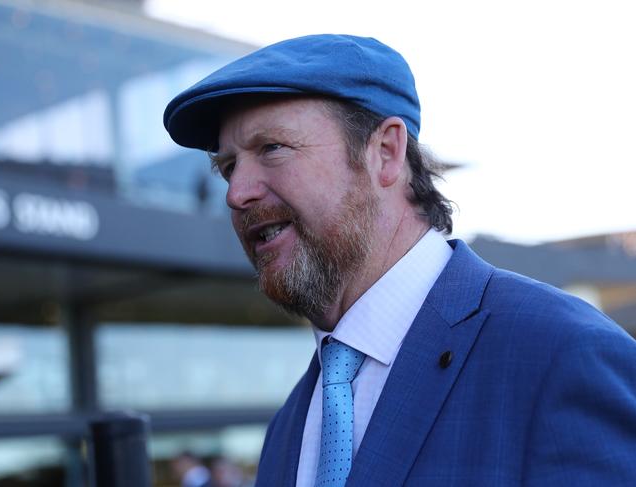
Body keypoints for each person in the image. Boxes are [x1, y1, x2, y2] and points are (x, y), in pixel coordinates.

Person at [163, 34, 636, 486]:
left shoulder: (561, 354)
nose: (237, 193)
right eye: (228, 167)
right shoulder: (290, 425)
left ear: (386, 153)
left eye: (272, 148)